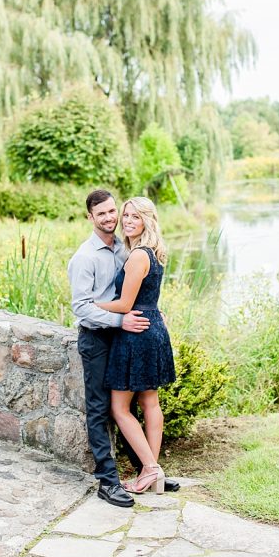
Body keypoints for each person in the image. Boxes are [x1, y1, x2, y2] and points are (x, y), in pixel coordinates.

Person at [67, 189, 179, 508]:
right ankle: (109, 480)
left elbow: (135, 292)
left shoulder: (126, 248)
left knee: (133, 405)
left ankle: (149, 469)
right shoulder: (84, 257)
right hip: (99, 338)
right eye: (102, 213)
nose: (112, 218)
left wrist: (150, 312)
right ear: (90, 217)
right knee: (103, 409)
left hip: (129, 333)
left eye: (114, 211)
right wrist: (122, 320)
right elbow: (83, 309)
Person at [95, 196, 177, 494]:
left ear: (147, 221)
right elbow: (148, 298)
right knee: (149, 402)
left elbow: (125, 303)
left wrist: (92, 304)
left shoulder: (137, 256)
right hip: (153, 327)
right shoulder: (155, 253)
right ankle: (150, 472)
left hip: (135, 335)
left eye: (135, 217)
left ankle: (151, 468)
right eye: (125, 215)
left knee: (119, 408)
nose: (127, 221)